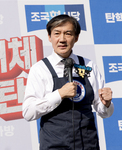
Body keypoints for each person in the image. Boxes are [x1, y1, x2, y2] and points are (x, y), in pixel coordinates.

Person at [22, 14, 114, 150]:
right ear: (49, 37)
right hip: (54, 145)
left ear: (76, 37)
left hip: (88, 144)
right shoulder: (40, 69)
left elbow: (103, 112)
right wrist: (59, 94)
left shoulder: (88, 65)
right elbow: (28, 112)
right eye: (57, 33)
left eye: (68, 33)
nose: (62, 39)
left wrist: (106, 104)